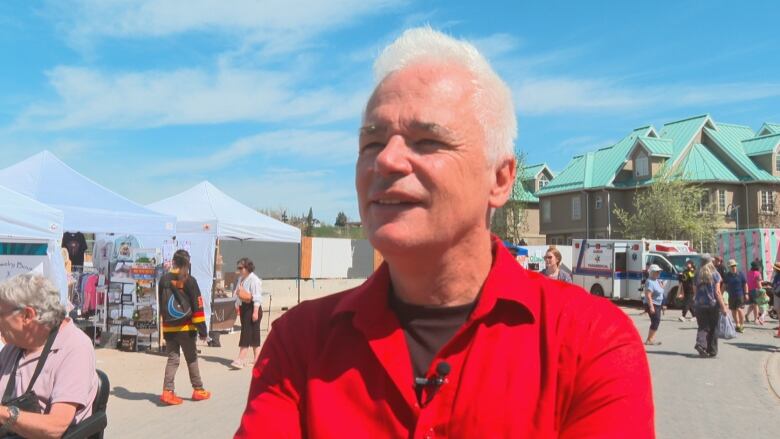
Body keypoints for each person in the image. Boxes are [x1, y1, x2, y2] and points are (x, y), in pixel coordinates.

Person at [235, 27, 654, 438]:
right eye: (371, 143)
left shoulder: (591, 343)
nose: (387, 161)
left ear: (500, 179)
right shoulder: (300, 344)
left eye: (425, 140)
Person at [0, 274, 98, 438]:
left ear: (27, 316)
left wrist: (3, 414)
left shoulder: (75, 347)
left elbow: (56, 426)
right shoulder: (14, 346)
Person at [159, 249, 211, 405]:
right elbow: (197, 305)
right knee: (192, 358)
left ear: (173, 261)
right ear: (188, 263)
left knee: (172, 359)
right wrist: (203, 331)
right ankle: (198, 390)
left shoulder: (163, 280)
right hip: (186, 328)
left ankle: (167, 392)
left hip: (169, 327)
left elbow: (161, 304)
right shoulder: (189, 280)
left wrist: (163, 326)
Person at [230, 257, 263, 370]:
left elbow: (257, 297)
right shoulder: (241, 278)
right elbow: (237, 293)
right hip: (244, 307)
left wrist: (255, 312)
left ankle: (241, 359)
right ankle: (258, 359)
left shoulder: (254, 280)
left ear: (247, 267)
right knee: (254, 334)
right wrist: (236, 306)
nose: (239, 270)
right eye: (238, 267)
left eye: (241, 267)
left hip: (252, 308)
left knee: (246, 332)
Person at [693, 255, 728, 357]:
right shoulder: (715, 274)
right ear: (710, 262)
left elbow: (695, 291)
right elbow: (717, 292)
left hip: (699, 304)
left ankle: (700, 344)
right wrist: (723, 306)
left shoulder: (697, 274)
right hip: (712, 304)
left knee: (702, 326)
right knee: (713, 327)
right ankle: (712, 350)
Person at [723, 259, 748, 333]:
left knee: (739, 309)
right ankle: (737, 324)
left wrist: (746, 293)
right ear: (729, 267)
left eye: (735, 265)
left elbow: (745, 284)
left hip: (739, 295)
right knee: (733, 310)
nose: (734, 267)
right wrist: (721, 294)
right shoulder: (727, 275)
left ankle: (742, 325)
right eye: (732, 266)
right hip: (731, 295)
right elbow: (724, 286)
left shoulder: (740, 274)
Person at [643, 264, 664, 345]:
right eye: (657, 272)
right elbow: (648, 295)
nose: (659, 273)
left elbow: (660, 292)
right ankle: (649, 339)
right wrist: (651, 307)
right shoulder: (650, 281)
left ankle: (650, 339)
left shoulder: (657, 280)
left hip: (658, 304)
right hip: (652, 304)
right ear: (652, 272)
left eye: (659, 271)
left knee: (656, 321)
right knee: (656, 321)